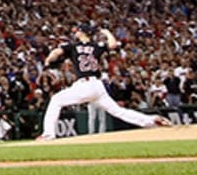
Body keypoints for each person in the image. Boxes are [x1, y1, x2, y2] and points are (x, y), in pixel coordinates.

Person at [38, 24, 173, 140]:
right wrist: (107, 32)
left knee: (56, 100)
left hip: (84, 85)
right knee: (118, 111)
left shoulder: (73, 46)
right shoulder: (97, 46)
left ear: (83, 32)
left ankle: (48, 134)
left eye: (78, 30)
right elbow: (113, 44)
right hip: (97, 85)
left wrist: (48, 60)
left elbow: (56, 52)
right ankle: (152, 120)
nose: (76, 32)